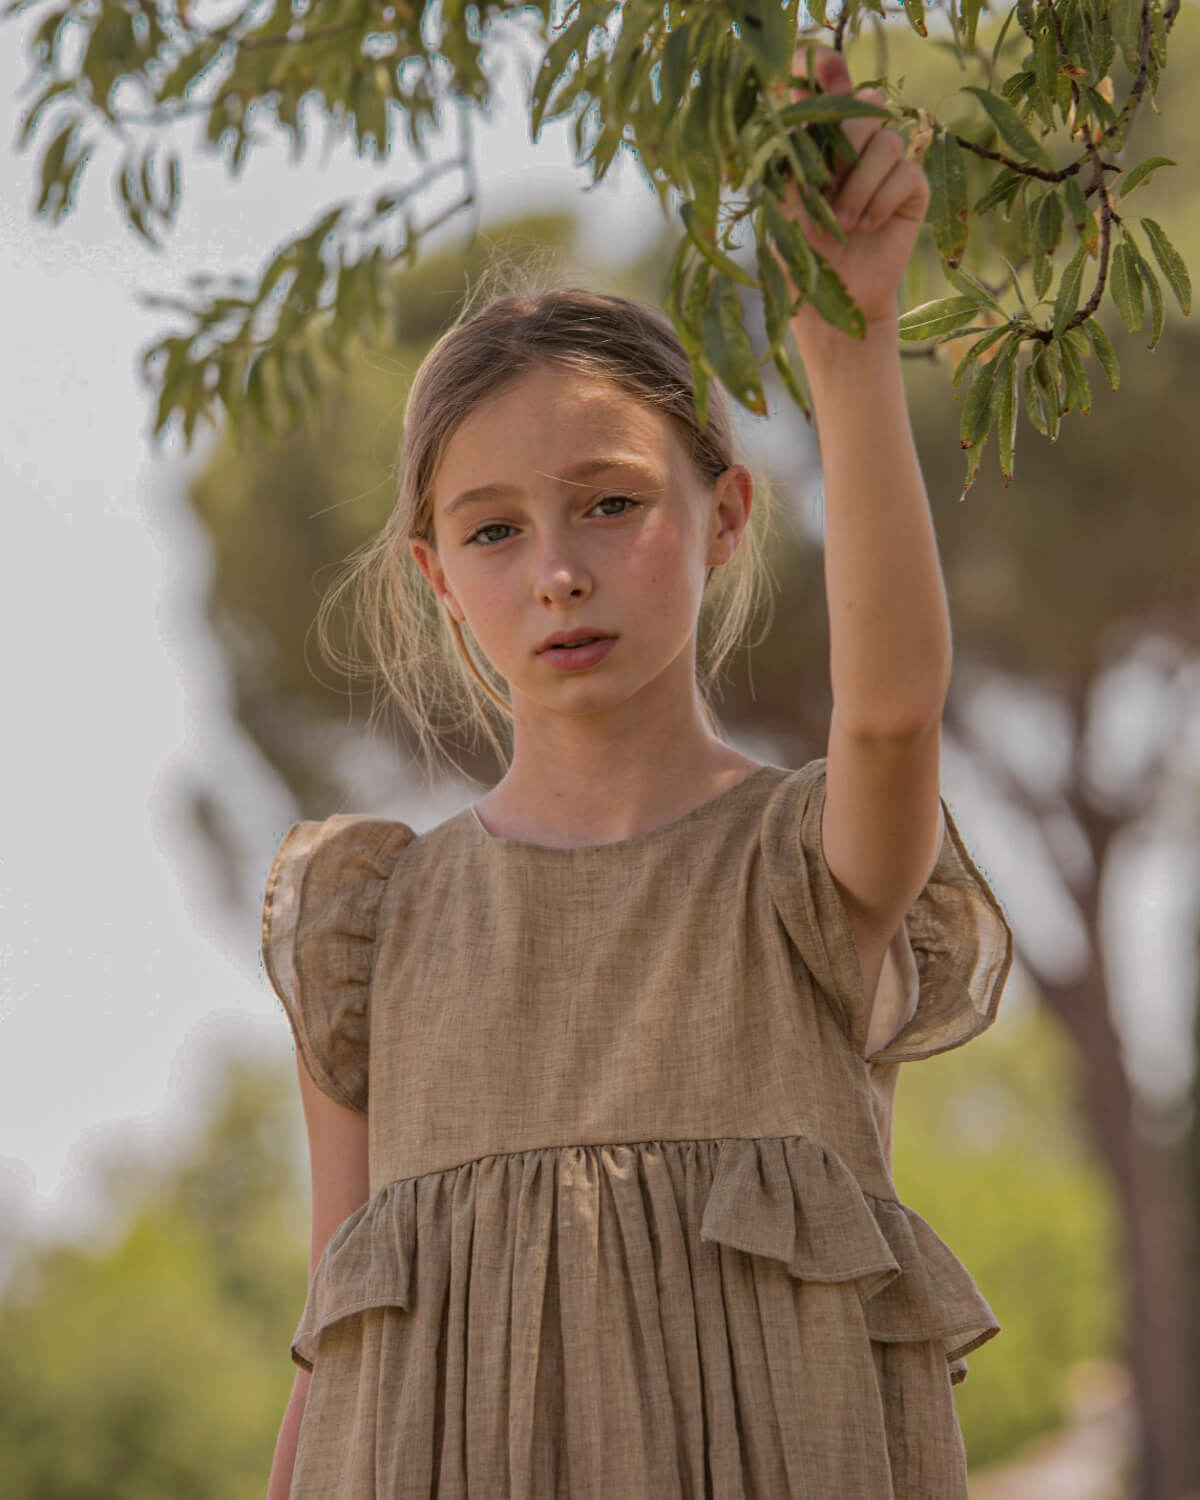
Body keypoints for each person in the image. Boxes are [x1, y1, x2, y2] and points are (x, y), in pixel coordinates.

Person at [262, 43, 1014, 1500]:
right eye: (492, 531)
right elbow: (334, 1359)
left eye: (611, 505)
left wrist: (852, 346)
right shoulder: (369, 927)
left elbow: (895, 710)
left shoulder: (809, 872)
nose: (556, 573)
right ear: (433, 577)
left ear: (726, 515)